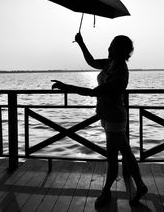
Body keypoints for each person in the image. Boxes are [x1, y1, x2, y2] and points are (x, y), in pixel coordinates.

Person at [51, 32, 148, 209]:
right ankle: (140, 186)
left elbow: (94, 92)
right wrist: (81, 43)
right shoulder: (110, 64)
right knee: (126, 152)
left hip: (114, 119)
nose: (108, 48)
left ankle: (106, 191)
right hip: (108, 116)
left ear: (119, 51)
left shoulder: (120, 72)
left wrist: (67, 87)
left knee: (112, 158)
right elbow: (92, 62)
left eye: (112, 46)